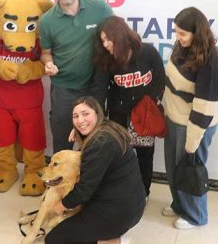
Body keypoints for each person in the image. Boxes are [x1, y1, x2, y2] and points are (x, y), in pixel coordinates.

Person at [45, 96, 145, 244]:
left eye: (85, 114)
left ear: (97, 113)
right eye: (75, 116)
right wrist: (80, 130)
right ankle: (108, 237)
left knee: (53, 239)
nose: (80, 120)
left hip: (116, 213)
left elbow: (84, 190)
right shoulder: (110, 129)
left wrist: (61, 205)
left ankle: (113, 240)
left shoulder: (100, 143)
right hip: (131, 205)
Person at [39, 0, 114, 154]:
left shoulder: (100, 8)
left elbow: (114, 36)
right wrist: (48, 63)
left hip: (94, 88)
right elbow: (45, 51)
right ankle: (61, 183)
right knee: (63, 144)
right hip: (64, 89)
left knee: (95, 143)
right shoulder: (47, 21)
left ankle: (90, 182)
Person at [91, 16, 165, 200]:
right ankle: (120, 193)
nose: (106, 44)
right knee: (119, 155)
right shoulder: (105, 60)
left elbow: (160, 78)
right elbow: (99, 89)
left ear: (121, 35)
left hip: (144, 115)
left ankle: (143, 193)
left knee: (145, 156)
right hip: (119, 116)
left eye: (109, 39)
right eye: (103, 40)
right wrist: (96, 118)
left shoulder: (147, 51)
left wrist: (152, 103)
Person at [162, 7, 218, 229]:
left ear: (197, 33)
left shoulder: (211, 62)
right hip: (174, 119)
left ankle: (195, 216)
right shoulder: (182, 47)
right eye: (176, 32)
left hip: (194, 125)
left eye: (182, 34)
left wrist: (192, 142)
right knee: (174, 168)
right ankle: (179, 205)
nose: (177, 38)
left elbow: (205, 106)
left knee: (190, 170)